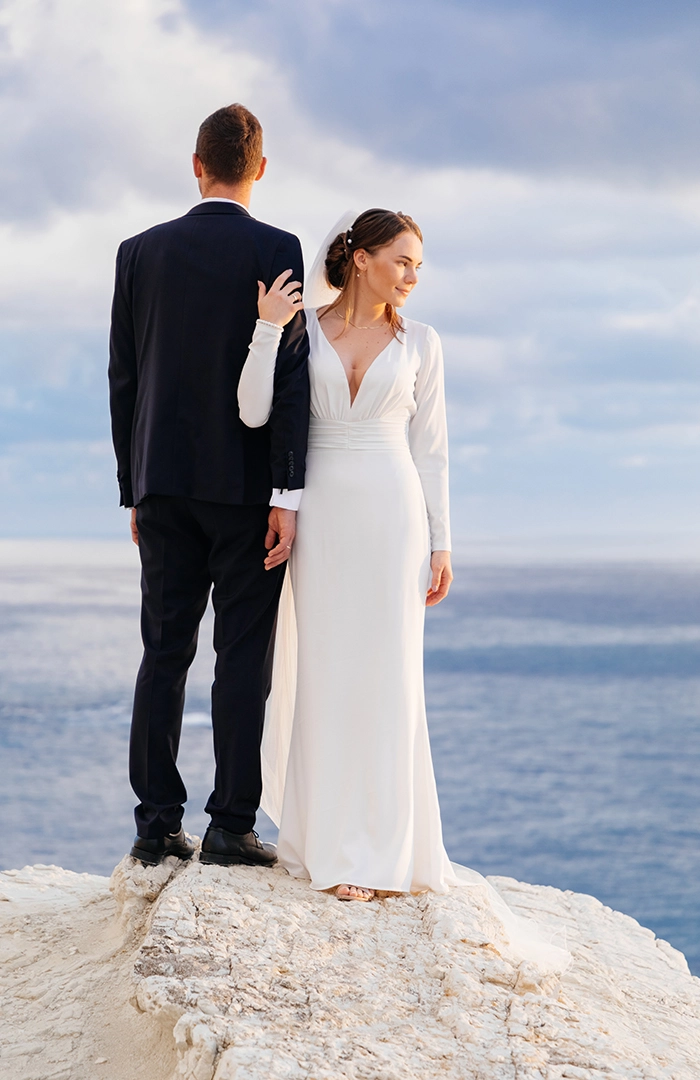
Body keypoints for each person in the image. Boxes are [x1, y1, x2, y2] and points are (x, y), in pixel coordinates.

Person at [108, 104, 310, 868]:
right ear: (260, 169)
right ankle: (231, 824)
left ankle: (157, 824)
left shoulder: (138, 253)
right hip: (247, 490)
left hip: (160, 481)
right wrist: (286, 496)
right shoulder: (277, 247)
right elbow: (288, 389)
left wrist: (135, 488)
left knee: (163, 652)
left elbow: (123, 377)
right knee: (242, 657)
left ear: (196, 165)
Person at [237, 208, 456, 901]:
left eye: (419, 265)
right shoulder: (305, 329)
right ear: (361, 258)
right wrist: (267, 327)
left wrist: (442, 540)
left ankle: (384, 856)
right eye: (403, 260)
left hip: (395, 518)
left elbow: (432, 450)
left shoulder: (422, 341)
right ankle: (329, 845)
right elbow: (258, 411)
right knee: (326, 670)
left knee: (390, 674)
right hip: (322, 512)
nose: (413, 276)